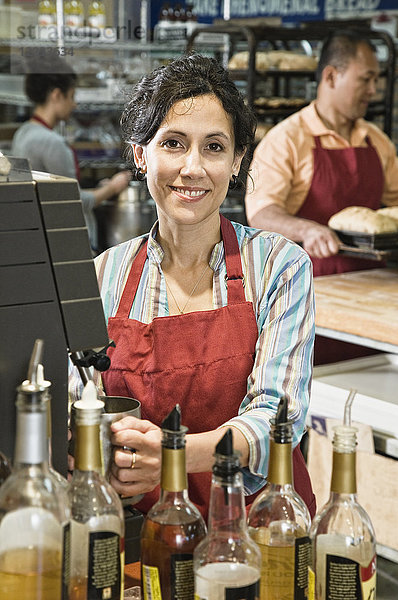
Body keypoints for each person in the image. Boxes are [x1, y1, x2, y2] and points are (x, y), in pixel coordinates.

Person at [69, 53, 316, 519]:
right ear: (142, 155)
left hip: (260, 530)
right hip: (144, 536)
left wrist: (174, 455)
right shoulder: (102, 277)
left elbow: (279, 418)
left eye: (215, 147)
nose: (193, 167)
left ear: (239, 160)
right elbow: (75, 406)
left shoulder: (279, 266)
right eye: (174, 143)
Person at [245, 29, 398, 364]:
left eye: (376, 80)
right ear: (331, 76)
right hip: (308, 296)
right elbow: (260, 213)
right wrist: (308, 230)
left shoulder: (377, 142)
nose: (374, 91)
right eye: (366, 79)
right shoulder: (287, 139)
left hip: (372, 295)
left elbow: (395, 204)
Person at [11, 51, 131, 252]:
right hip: (66, 242)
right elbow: (73, 200)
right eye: (72, 96)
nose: (74, 104)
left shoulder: (23, 133)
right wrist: (113, 187)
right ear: (56, 95)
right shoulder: (52, 143)